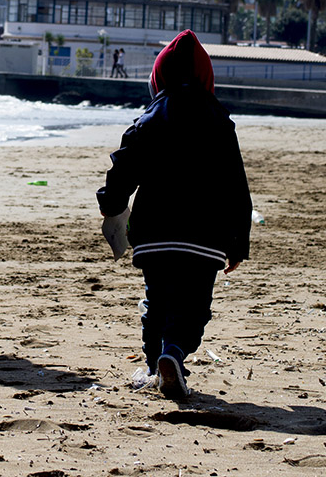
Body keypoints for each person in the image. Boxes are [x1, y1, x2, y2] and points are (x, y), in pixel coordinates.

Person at [96, 29, 251, 400]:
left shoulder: (147, 121)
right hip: (206, 237)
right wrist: (237, 243)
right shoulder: (221, 123)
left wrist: (111, 206)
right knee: (193, 308)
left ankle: (154, 367)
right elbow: (236, 187)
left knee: (157, 303)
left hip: (155, 234)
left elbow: (122, 170)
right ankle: (174, 354)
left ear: (158, 77)